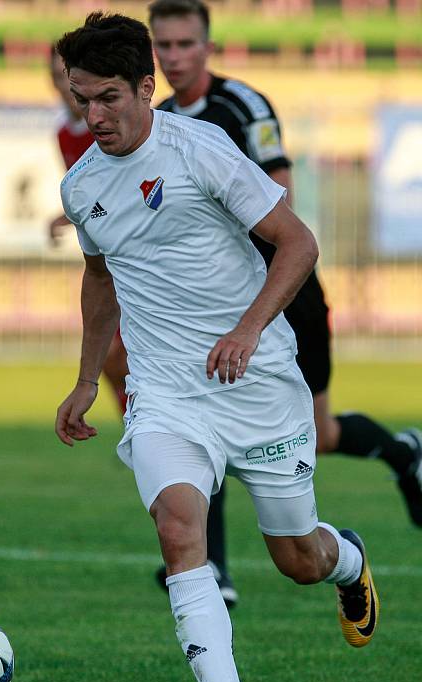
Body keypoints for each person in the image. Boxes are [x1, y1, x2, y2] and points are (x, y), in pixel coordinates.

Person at [54, 13, 379, 682]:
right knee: (178, 530)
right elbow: (101, 279)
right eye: (81, 99)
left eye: (108, 97)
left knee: (298, 559)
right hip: (167, 391)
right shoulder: (81, 187)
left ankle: (347, 557)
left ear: (145, 87)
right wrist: (84, 379)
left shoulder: (201, 150)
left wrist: (248, 329)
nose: (94, 115)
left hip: (257, 382)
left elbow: (298, 242)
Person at [147, 0, 422, 604]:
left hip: (284, 291)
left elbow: (280, 194)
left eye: (184, 44)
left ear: (207, 46)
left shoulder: (243, 105)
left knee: (320, 434)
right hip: (217, 307)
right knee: (201, 422)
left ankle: (403, 451)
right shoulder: (159, 121)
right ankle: (212, 570)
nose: (173, 57)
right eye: (163, 45)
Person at [49, 44, 129, 417]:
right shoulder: (63, 134)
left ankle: (144, 426)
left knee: (118, 353)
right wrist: (66, 217)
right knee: (113, 355)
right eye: (56, 77)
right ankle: (138, 424)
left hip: (134, 255)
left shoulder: (116, 128)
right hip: (107, 260)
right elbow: (87, 195)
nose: (63, 86)